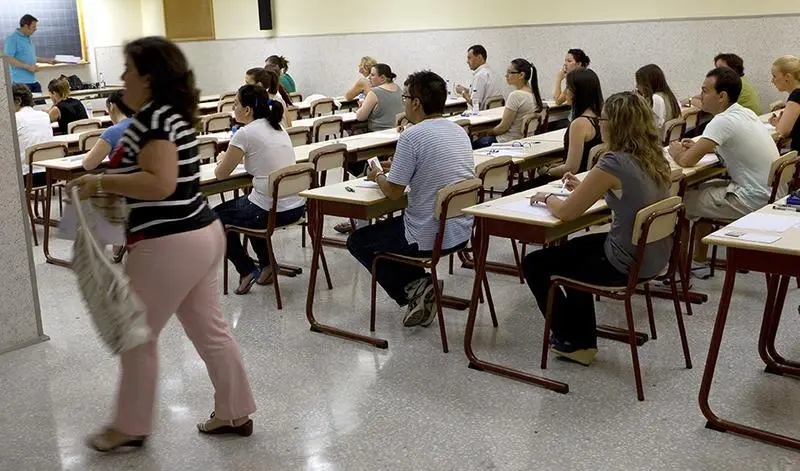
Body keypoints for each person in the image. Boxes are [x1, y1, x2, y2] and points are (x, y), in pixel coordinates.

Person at [65, 36, 256, 452]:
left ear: (147, 78)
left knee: (137, 336)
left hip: (168, 243)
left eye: (128, 71)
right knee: (211, 330)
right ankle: (234, 411)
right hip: (201, 234)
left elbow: (160, 183)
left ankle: (129, 425)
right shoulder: (173, 115)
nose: (121, 78)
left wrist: (100, 180)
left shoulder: (153, 120)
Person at [524, 91, 673, 366]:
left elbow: (567, 213)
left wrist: (547, 198)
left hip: (623, 261)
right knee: (573, 252)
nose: (599, 124)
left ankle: (573, 341)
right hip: (652, 255)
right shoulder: (654, 157)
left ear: (615, 124)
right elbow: (629, 194)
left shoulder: (613, 162)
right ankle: (580, 337)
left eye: (602, 119)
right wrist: (586, 189)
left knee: (535, 263)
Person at [347, 70, 475, 327]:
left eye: (405, 97)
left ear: (416, 102)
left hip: (429, 236)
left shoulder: (412, 136)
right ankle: (420, 284)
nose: (403, 102)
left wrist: (378, 176)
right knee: (386, 232)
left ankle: (417, 286)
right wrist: (400, 166)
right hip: (460, 230)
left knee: (359, 241)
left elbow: (394, 192)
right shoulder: (458, 131)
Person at [669, 67, 778, 264]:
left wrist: (676, 151)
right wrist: (699, 146)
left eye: (704, 91)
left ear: (722, 96)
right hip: (770, 192)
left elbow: (686, 161)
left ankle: (679, 273)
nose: (700, 96)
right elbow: (730, 145)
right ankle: (698, 258)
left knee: (680, 200)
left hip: (751, 198)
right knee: (699, 187)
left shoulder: (722, 121)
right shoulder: (745, 113)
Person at [213, 84, 305, 294]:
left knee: (214, 219)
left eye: (235, 104)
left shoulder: (245, 133)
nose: (232, 108)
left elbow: (220, 175)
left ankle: (246, 270)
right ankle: (267, 266)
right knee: (248, 206)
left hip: (271, 211)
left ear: (247, 110)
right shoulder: (278, 126)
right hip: (296, 207)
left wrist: (222, 160)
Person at [521, 68, 603, 190]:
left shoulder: (579, 124)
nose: (566, 92)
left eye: (568, 88)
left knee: (511, 191)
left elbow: (572, 168)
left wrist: (549, 170)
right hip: (587, 179)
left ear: (578, 92)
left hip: (571, 182)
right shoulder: (600, 117)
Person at [473, 58, 543, 148]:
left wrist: (486, 133)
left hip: (508, 142)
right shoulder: (534, 94)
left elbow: (503, 127)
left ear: (521, 75)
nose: (506, 76)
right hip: (525, 141)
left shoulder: (515, 95)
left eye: (510, 72)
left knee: (472, 144)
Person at [686, 53, 763, 115]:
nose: (718, 71)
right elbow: (704, 95)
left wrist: (690, 101)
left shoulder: (735, 85)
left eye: (721, 68)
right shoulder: (742, 80)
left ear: (733, 69)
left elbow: (710, 105)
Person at [3, 14, 56, 94]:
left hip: (32, 80)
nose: (35, 29)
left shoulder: (28, 38)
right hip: (19, 83)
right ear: (25, 26)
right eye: (33, 26)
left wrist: (47, 60)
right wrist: (28, 67)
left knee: (40, 104)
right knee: (26, 106)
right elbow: (8, 58)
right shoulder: (12, 39)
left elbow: (30, 56)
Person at [12, 83, 53, 186]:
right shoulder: (44, 116)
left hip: (25, 176)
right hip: (50, 174)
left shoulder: (15, 118)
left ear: (18, 101)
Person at [82, 90, 134, 170]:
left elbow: (88, 164)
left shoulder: (112, 132)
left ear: (112, 107)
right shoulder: (143, 124)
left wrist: (88, 154)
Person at [355, 63, 404, 132]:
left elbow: (360, 117)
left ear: (382, 78)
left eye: (372, 75)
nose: (369, 78)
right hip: (397, 132)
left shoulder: (374, 92)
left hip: (379, 134)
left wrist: (361, 107)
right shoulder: (398, 88)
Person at [454, 45, 503, 110]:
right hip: (495, 114)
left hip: (482, 115)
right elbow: (483, 94)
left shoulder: (480, 75)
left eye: (469, 58)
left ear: (479, 57)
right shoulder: (493, 73)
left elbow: (475, 103)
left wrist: (462, 92)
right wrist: (467, 90)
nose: (467, 61)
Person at [635, 64, 681, 129]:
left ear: (647, 84)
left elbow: (654, 126)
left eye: (639, 83)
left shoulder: (656, 98)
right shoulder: (669, 95)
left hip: (658, 137)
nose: (636, 86)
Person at [769, 55, 800, 153]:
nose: (772, 81)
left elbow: (781, 132)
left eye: (774, 76)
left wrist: (779, 123)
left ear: (787, 77)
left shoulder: (796, 96)